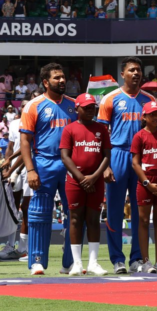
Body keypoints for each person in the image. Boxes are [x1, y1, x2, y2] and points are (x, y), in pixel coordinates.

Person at [98, 57, 157, 274]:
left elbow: (155, 132)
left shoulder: (149, 100)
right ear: (122, 74)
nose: (136, 73)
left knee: (141, 212)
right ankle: (117, 259)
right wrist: (105, 165)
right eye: (131, 70)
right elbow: (101, 134)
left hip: (142, 158)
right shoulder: (110, 98)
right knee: (115, 211)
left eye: (138, 70)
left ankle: (137, 258)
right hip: (117, 154)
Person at [20, 63, 76, 275]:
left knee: (74, 213)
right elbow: (25, 140)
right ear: (45, 82)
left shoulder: (73, 105)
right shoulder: (33, 106)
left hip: (70, 164)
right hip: (44, 163)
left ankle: (70, 262)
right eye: (56, 78)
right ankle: (37, 260)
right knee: (39, 213)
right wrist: (30, 170)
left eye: (63, 77)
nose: (62, 81)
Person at [59, 93, 111, 276]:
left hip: (95, 181)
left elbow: (106, 156)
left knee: (94, 220)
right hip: (75, 181)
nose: (90, 110)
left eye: (93, 107)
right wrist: (82, 178)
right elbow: (65, 156)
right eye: (86, 107)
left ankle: (93, 263)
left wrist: (94, 177)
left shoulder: (101, 129)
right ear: (77, 109)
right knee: (75, 219)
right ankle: (77, 263)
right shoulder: (69, 129)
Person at [130, 100, 157, 274]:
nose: (156, 117)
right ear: (144, 117)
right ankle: (146, 262)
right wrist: (147, 183)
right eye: (152, 114)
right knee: (143, 221)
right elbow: (135, 163)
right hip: (145, 184)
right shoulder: (139, 136)